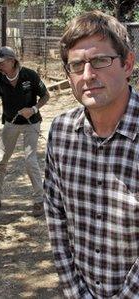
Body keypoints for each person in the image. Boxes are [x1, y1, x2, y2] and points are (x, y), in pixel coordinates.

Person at [44, 10, 139, 299]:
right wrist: (75, 292)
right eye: (77, 65)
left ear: (127, 64)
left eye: (100, 60)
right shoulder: (61, 133)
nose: (88, 75)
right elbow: (55, 216)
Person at [0, 46, 49, 217]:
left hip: (31, 122)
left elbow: (45, 96)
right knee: (0, 161)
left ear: (12, 61)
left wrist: (33, 109)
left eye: (2, 63)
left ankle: (39, 200)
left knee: (30, 161)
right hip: (10, 123)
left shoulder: (30, 75)